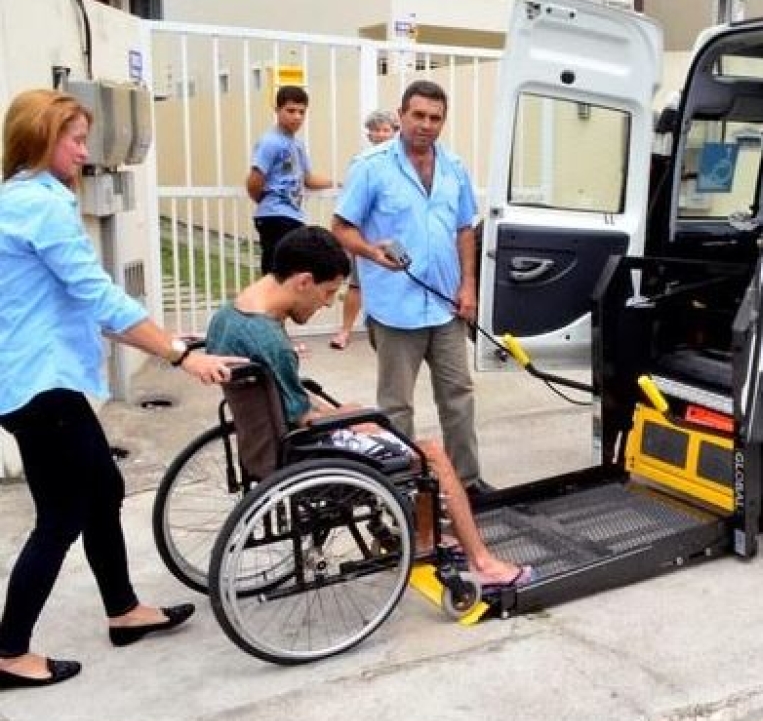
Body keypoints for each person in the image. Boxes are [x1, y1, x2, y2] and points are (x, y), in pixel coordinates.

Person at [0, 89, 243, 690]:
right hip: (41, 385)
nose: (85, 152)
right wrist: (180, 354)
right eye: (75, 139)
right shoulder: (42, 206)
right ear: (39, 138)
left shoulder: (17, 202)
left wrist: (164, 338)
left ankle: (124, 610)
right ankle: (8, 652)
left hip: (31, 381)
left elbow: (84, 306)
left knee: (102, 488)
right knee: (59, 517)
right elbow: (100, 297)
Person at [205, 225, 530, 588]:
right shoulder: (270, 340)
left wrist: (346, 414)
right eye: (328, 293)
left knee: (362, 415)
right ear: (303, 281)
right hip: (297, 455)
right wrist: (349, 420)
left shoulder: (229, 317)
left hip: (260, 446)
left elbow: (280, 397)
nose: (328, 304)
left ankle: (423, 539)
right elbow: (302, 416)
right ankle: (482, 563)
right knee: (430, 455)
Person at [332, 80, 486, 492]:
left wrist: (468, 286)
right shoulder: (371, 166)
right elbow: (341, 228)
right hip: (395, 308)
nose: (426, 125)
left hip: (446, 306)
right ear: (401, 115)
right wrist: (369, 252)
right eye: (418, 115)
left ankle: (467, 484)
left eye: (435, 118)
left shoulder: (454, 167)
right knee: (397, 406)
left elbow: (464, 230)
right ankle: (403, 488)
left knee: (458, 397)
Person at [330, 109, 398, 351]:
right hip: (366, 235)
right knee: (357, 284)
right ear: (369, 134)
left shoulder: (403, 162)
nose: (380, 134)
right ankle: (345, 330)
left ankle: (390, 331)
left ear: (394, 132)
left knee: (397, 280)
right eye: (376, 129)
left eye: (385, 129)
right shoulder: (362, 162)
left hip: (394, 234)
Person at [246, 85, 332, 276]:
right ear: (277, 110)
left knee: (294, 270)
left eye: (301, 112)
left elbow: (308, 179)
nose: (297, 117)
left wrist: (337, 183)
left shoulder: (297, 145)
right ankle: (268, 306)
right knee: (276, 271)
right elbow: (254, 180)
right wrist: (267, 201)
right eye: (291, 111)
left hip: (293, 216)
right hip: (274, 217)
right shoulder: (270, 142)